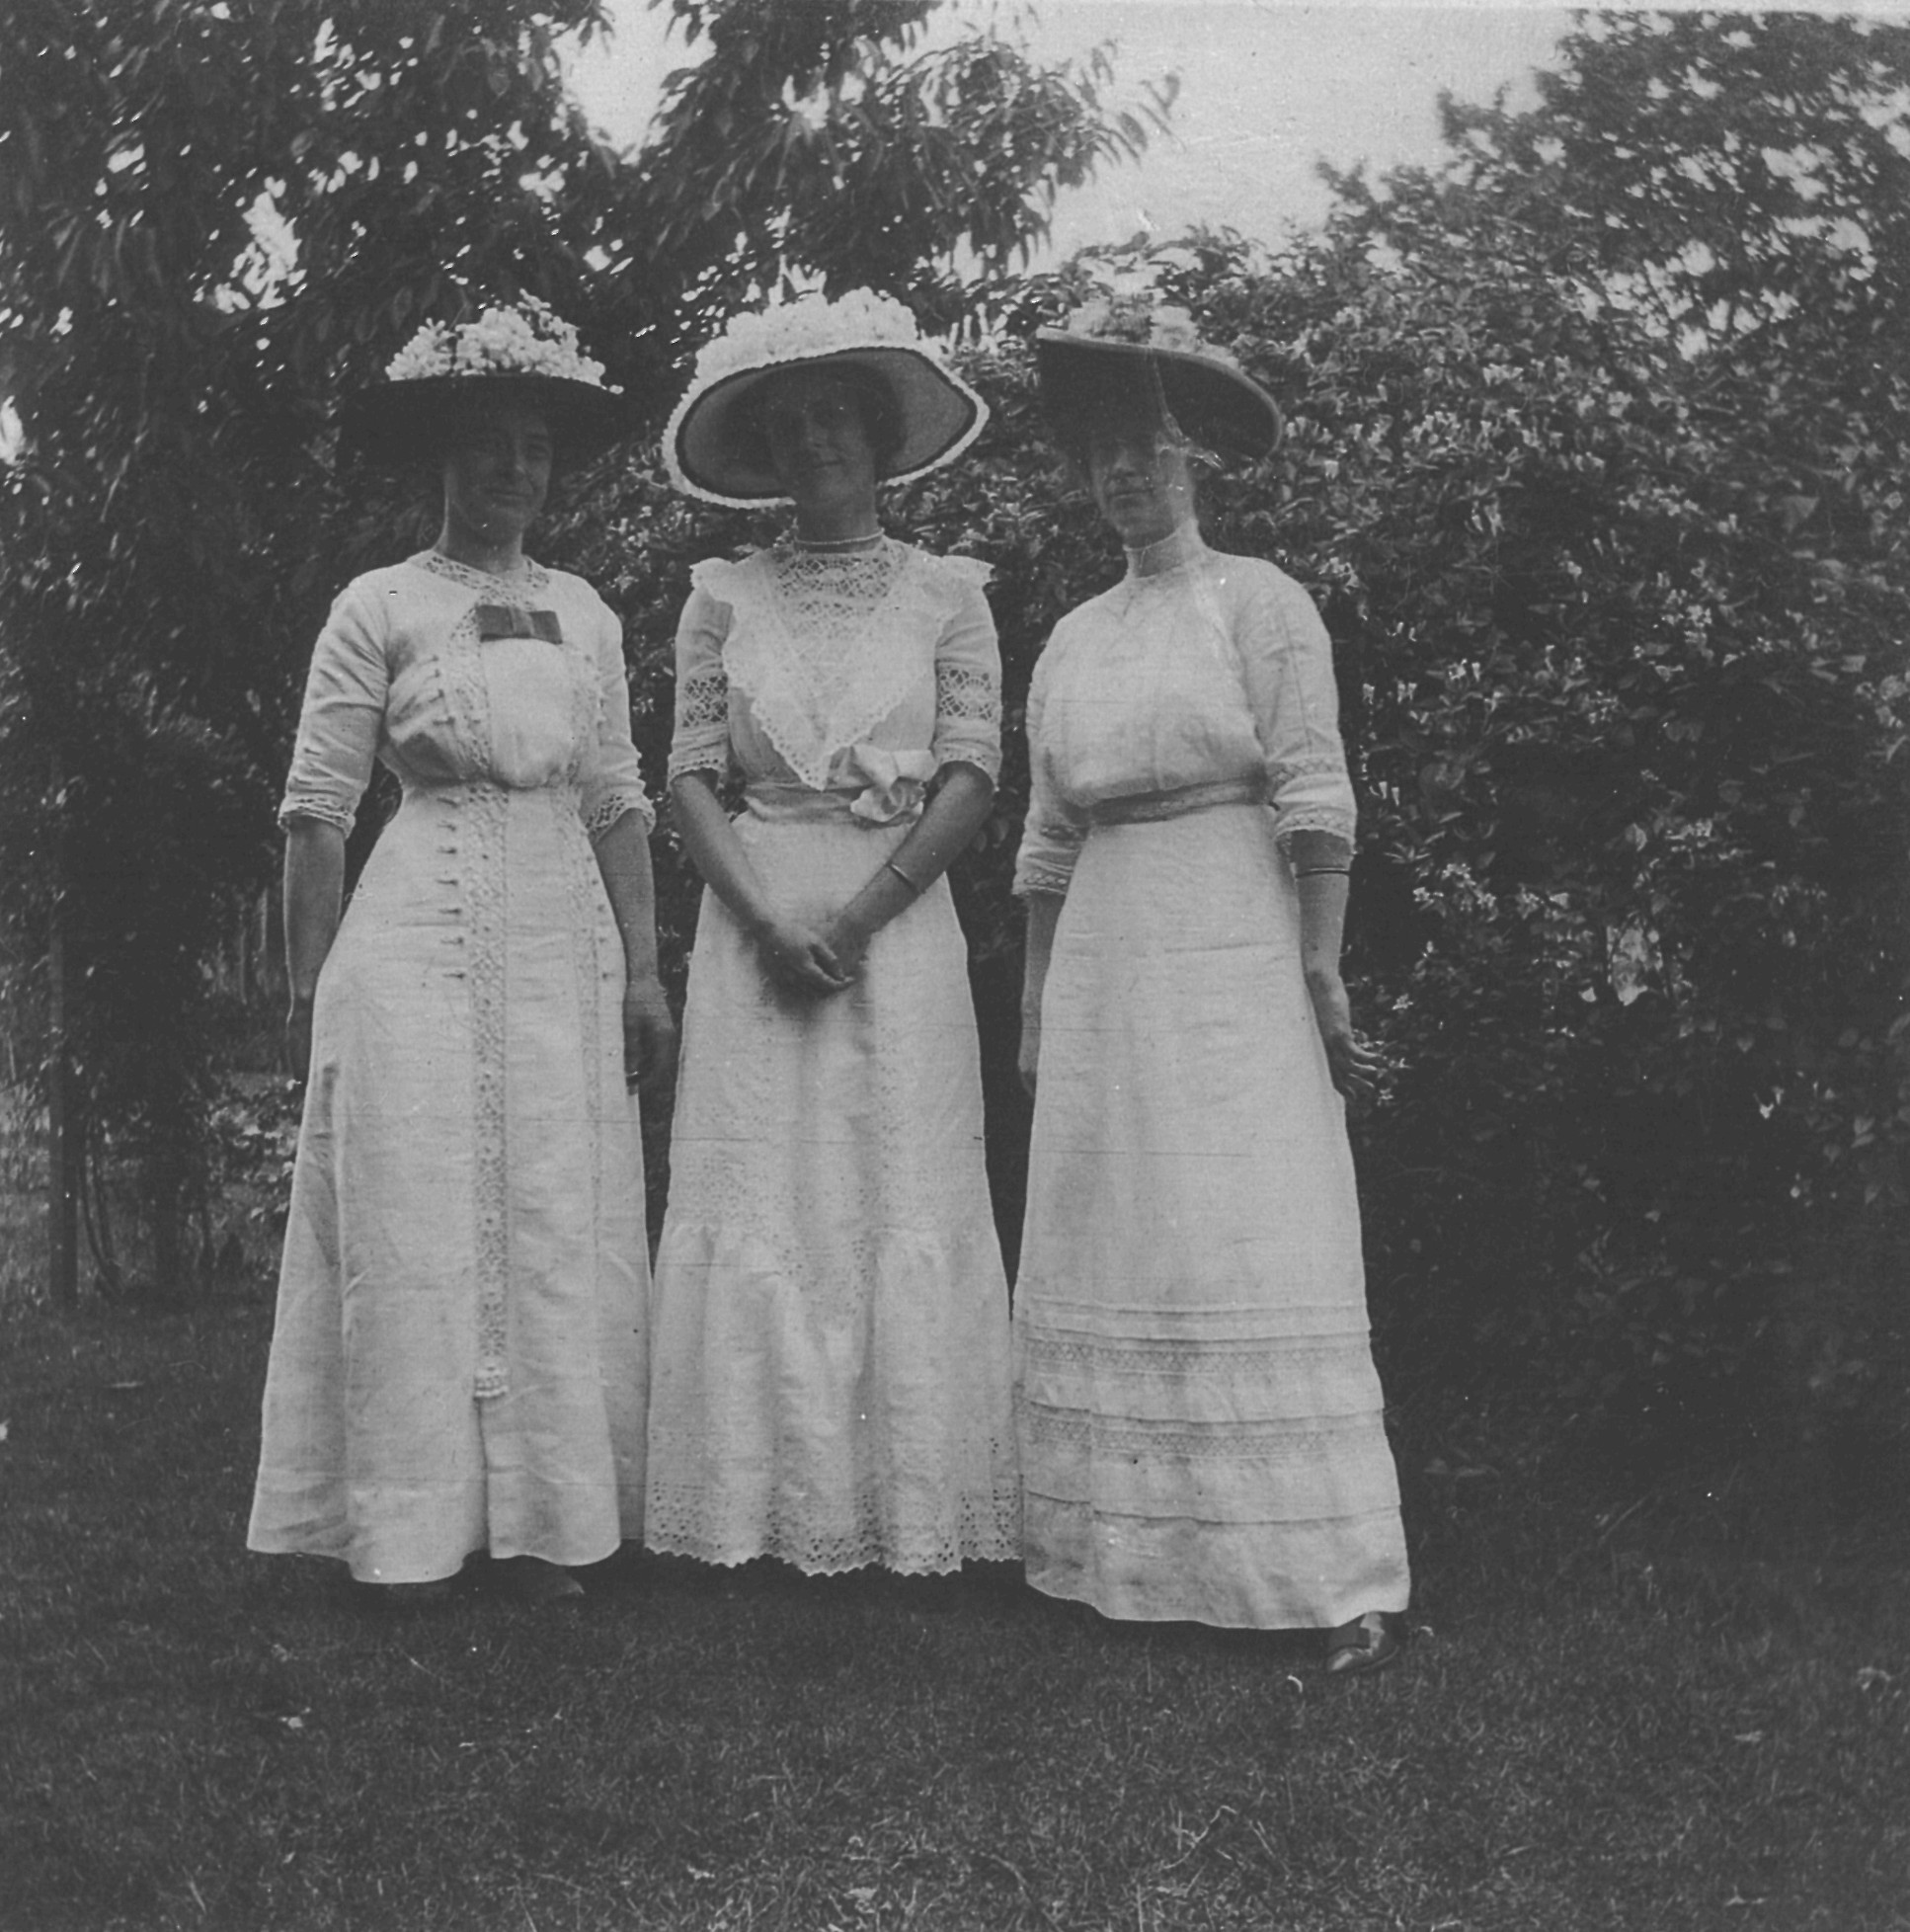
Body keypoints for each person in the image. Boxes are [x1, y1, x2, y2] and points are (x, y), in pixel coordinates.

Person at [247, 297, 675, 1607]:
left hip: (558, 935)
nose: (514, 469)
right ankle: (412, 1523)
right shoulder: (380, 604)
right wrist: (310, 987)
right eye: (490, 443)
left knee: (550, 1205)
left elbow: (618, 800)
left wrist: (647, 971)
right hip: (416, 933)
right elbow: (318, 809)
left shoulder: (586, 614)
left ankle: (548, 1521)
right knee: (418, 1205)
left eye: (535, 447)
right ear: (442, 454)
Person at [1012, 294, 1410, 1671]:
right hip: (1106, 956)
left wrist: (1319, 962)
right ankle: (1121, 1557)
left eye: (1151, 446)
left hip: (1231, 940)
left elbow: (1314, 791)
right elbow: (1047, 837)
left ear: (1197, 459)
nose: (1125, 472)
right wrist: (1035, 1004)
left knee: (1245, 1223)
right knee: (1125, 1225)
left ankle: (1319, 1569)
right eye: (1103, 453)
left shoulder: (1262, 603)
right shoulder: (1072, 637)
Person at [645, 289, 1018, 1578]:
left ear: (879, 437)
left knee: (888, 1179)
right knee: (767, 1184)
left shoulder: (947, 595)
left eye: (837, 419)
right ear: (766, 451)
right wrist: (761, 918)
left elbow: (972, 770)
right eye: (791, 425)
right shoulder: (721, 597)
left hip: (895, 925)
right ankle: (752, 1504)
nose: (816, 443)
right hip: (753, 917)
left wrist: (857, 918)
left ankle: (905, 1502)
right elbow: (689, 773)